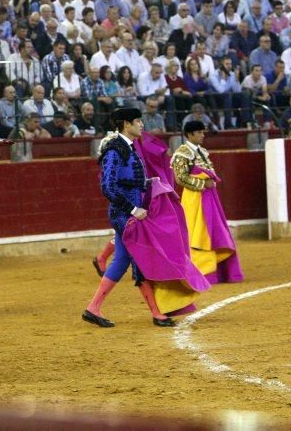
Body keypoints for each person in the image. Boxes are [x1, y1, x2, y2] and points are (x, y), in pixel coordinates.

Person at [82, 108, 175, 328]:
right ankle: (156, 313)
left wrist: (148, 183)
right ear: (126, 124)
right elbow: (108, 187)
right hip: (124, 214)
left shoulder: (127, 148)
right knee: (139, 258)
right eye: (137, 121)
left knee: (122, 259)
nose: (142, 125)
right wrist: (133, 209)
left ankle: (93, 308)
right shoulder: (115, 150)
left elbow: (128, 180)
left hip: (129, 213)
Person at [170, 121, 244, 284]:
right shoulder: (182, 153)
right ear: (190, 135)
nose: (203, 135)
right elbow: (180, 178)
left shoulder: (202, 151)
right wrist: (203, 184)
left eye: (203, 132)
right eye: (199, 132)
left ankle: (215, 271)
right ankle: (200, 272)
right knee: (197, 232)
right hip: (194, 199)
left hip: (209, 198)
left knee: (211, 231)